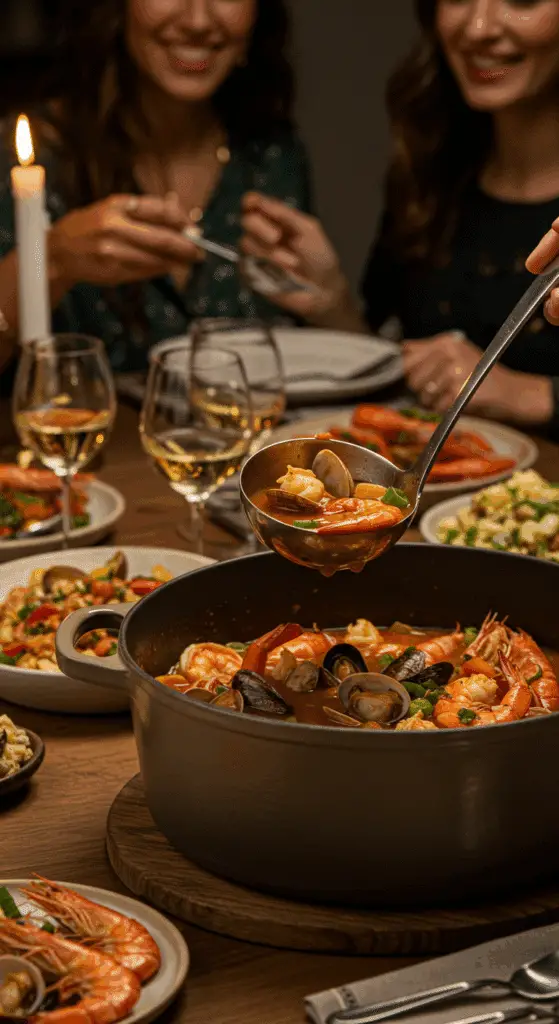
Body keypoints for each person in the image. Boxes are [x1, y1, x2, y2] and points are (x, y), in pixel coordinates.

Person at [241, 0, 559, 431]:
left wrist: (532, 395)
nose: (479, 27)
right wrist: (332, 304)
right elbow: (405, 382)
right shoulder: (434, 171)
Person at [0, 0, 311, 374]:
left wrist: (333, 302)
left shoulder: (272, 156)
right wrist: (50, 262)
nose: (198, 20)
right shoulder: (29, 160)